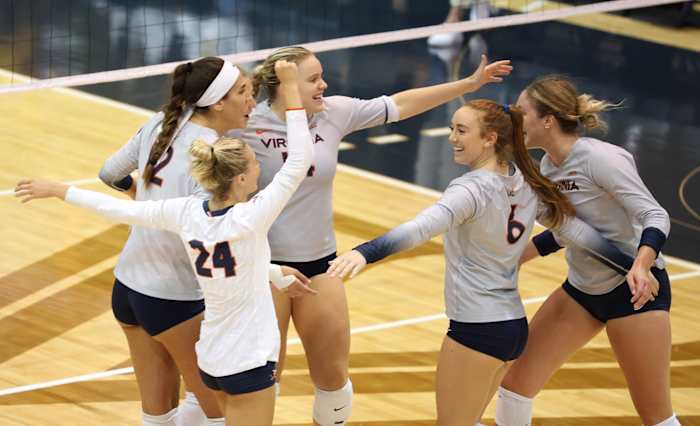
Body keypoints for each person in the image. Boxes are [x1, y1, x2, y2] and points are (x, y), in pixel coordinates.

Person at [15, 60, 315, 426]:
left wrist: (138, 196)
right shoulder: (210, 163)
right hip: (172, 297)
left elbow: (110, 173)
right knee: (221, 413)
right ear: (218, 103)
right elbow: (212, 240)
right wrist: (267, 272)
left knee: (157, 413)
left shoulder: (161, 124)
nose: (252, 100)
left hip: (127, 287)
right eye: (242, 93)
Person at [326, 99, 649, 425]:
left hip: (476, 328)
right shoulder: (523, 181)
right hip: (511, 328)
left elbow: (419, 230)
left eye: (462, 130)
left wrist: (365, 252)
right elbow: (578, 233)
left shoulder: (470, 190)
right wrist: (634, 266)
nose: (452, 137)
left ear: (490, 138)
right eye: (452, 128)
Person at [234, 47, 511, 425]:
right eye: (313, 79)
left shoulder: (333, 112)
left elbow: (400, 104)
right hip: (263, 268)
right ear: (286, 85)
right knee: (263, 380)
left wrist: (469, 83)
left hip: (319, 264)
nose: (324, 84)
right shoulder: (247, 123)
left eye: (322, 76)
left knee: (333, 379)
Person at [494, 75, 676, 426]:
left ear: (548, 119)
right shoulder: (548, 167)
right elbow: (571, 231)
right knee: (515, 384)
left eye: (522, 114)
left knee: (655, 416)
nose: (515, 122)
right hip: (581, 291)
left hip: (634, 292)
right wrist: (518, 258)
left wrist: (641, 265)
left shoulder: (601, 159)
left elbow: (655, 215)